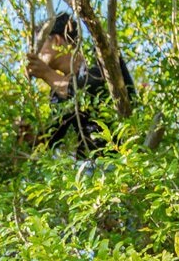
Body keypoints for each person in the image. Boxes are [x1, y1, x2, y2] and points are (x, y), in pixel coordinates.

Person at [24, 12, 135, 159]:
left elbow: (92, 86)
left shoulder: (100, 54)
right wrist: (30, 137)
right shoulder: (58, 90)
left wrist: (47, 74)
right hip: (91, 166)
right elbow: (50, 139)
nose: (37, 54)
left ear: (57, 40)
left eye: (39, 45)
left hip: (124, 156)